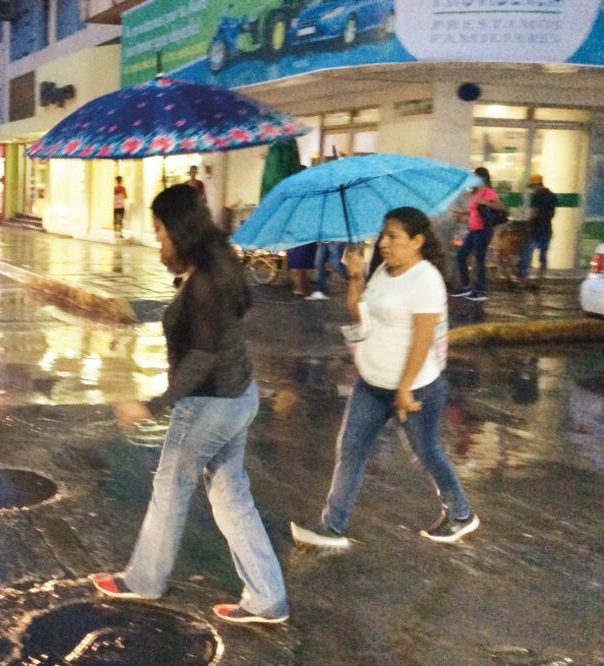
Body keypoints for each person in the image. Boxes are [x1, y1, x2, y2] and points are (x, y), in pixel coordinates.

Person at [92, 184, 290, 626]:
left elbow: (202, 355)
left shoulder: (205, 280)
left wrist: (152, 405)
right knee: (231, 497)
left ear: (181, 231)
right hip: (239, 396)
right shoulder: (218, 265)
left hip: (209, 404)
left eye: (161, 233)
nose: (159, 242)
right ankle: (268, 597)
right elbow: (216, 331)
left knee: (170, 487)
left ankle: (144, 579)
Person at [291, 207, 479, 549]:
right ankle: (332, 527)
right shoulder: (382, 271)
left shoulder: (426, 279)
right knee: (350, 449)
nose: (385, 243)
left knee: (427, 453)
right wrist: (355, 277)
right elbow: (360, 312)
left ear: (418, 240)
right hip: (371, 383)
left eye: (394, 236)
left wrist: (405, 388)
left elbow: (423, 338)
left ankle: (462, 513)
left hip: (415, 387)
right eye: (383, 235)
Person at [452, 167, 504, 302]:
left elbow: (500, 206)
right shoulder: (476, 192)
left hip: (483, 230)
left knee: (479, 260)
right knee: (461, 256)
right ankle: (467, 286)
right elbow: (476, 211)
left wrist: (484, 202)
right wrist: (463, 213)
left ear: (482, 178)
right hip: (474, 229)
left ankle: (480, 290)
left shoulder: (488, 192)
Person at [517, 174, 557, 288]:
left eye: (532, 187)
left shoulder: (536, 196)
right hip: (547, 229)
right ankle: (540, 280)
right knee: (543, 256)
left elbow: (534, 212)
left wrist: (528, 224)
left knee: (526, 255)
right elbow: (552, 214)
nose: (532, 189)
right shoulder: (552, 196)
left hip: (536, 230)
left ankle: (523, 282)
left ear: (536, 185)